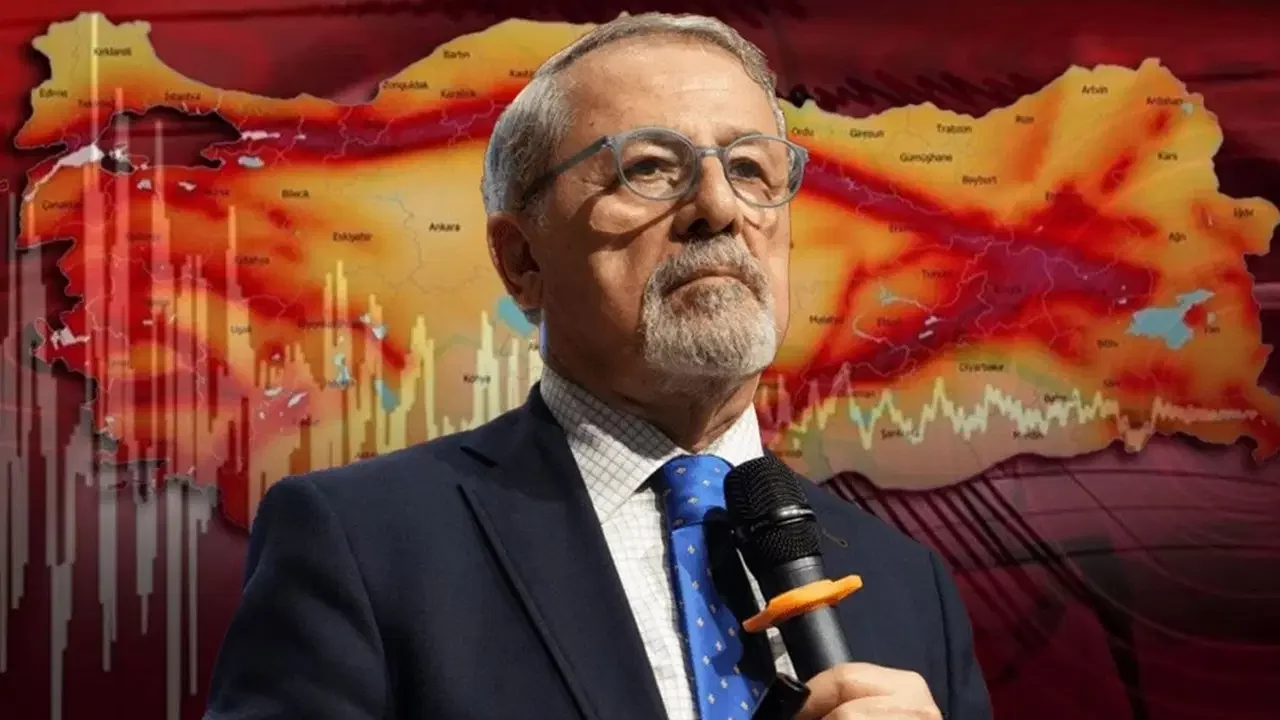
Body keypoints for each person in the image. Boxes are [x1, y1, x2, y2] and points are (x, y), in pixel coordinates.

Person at [204, 12, 992, 720]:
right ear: (523, 260)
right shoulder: (365, 543)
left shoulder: (908, 586)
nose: (718, 208)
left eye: (751, 168)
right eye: (649, 168)